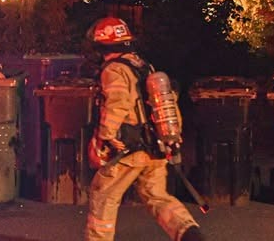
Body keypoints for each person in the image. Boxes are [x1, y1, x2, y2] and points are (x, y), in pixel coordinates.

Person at [84, 16, 205, 241]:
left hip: (128, 151)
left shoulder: (114, 70)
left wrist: (105, 137)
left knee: (103, 197)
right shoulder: (144, 66)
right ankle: (190, 234)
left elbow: (118, 104)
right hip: (154, 147)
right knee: (157, 197)